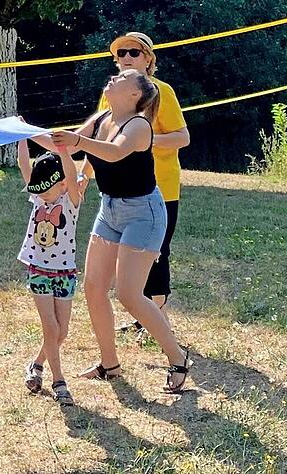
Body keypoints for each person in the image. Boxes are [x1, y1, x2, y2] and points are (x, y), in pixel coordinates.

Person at [52, 69, 191, 393]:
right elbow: (69, 146)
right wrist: (22, 132)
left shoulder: (140, 126)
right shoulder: (102, 117)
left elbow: (113, 152)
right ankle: (110, 364)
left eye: (124, 76)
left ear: (135, 95)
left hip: (144, 213)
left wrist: (77, 140)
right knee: (94, 287)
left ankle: (178, 358)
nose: (115, 76)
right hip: (110, 208)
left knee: (129, 294)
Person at [91, 32, 191, 334]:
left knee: (157, 252)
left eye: (133, 52)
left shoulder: (161, 92)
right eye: (121, 53)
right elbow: (95, 137)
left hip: (158, 187)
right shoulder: (110, 94)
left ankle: (155, 317)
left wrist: (141, 140)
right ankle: (143, 316)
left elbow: (182, 137)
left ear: (149, 59)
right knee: (130, 255)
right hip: (119, 189)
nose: (126, 58)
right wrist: (85, 174)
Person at [16, 132, 85, 406]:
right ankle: (59, 382)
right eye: (38, 190)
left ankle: (36, 364)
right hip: (39, 270)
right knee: (50, 326)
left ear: (62, 184)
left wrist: (65, 151)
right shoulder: (38, 200)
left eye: (46, 189)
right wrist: (22, 137)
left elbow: (70, 171)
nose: (42, 195)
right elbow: (25, 166)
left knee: (61, 332)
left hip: (65, 271)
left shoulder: (71, 202)